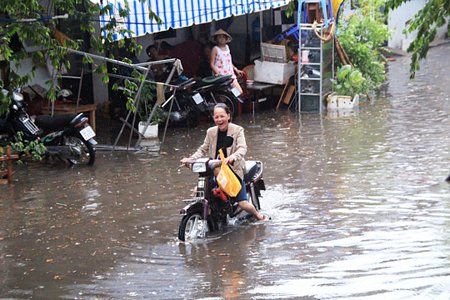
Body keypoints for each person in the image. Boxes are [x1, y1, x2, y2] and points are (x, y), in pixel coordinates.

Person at [180, 103, 266, 221]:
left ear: (228, 116)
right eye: (216, 117)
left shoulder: (237, 130)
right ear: (213, 118)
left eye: (222, 116)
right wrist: (190, 159)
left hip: (233, 170)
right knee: (199, 192)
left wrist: (233, 157)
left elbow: (242, 148)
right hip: (215, 169)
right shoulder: (211, 132)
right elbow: (203, 149)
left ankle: (257, 215)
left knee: (242, 203)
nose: (219, 119)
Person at [209, 29, 245, 96]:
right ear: (216, 39)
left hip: (230, 74)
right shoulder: (215, 49)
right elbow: (211, 63)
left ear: (226, 39)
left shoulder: (227, 48)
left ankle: (231, 105)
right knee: (224, 95)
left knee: (239, 92)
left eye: (223, 37)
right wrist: (217, 73)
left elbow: (228, 61)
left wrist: (235, 69)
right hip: (221, 76)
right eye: (219, 37)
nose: (222, 39)